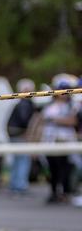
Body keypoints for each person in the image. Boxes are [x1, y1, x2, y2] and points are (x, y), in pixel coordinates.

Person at [42, 75, 78, 204]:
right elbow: (41, 121)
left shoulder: (73, 105)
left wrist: (55, 120)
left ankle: (66, 192)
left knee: (66, 168)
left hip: (66, 140)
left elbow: (72, 121)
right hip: (50, 140)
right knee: (52, 169)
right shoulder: (49, 105)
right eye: (61, 89)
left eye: (66, 89)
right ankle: (54, 193)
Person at [6, 78, 39, 198]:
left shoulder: (19, 103)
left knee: (17, 161)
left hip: (14, 135)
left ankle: (14, 185)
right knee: (23, 161)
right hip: (21, 135)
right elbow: (25, 121)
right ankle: (20, 186)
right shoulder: (26, 104)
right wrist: (29, 133)